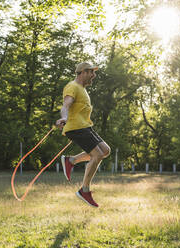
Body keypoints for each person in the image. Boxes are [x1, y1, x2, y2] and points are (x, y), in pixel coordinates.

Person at [55, 62, 111, 207]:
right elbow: (66, 105)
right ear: (83, 72)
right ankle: (84, 190)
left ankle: (71, 160)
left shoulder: (82, 89)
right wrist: (64, 118)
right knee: (97, 155)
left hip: (85, 126)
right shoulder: (72, 87)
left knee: (105, 150)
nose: (94, 76)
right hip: (76, 127)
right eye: (92, 72)